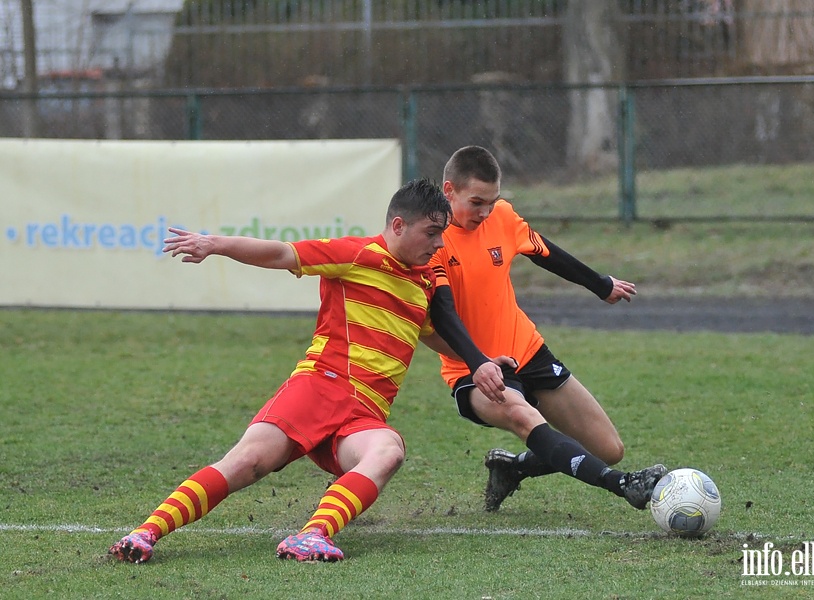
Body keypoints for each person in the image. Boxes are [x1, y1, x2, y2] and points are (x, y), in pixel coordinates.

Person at [108, 178, 512, 564]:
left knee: (388, 451)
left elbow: (434, 337)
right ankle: (145, 532)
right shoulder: (356, 254)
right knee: (247, 463)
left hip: (363, 414)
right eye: (431, 233)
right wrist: (215, 244)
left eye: (442, 234)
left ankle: (313, 534)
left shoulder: (424, 283)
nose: (439, 243)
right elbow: (281, 253)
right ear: (398, 225)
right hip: (319, 387)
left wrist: (483, 361)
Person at [427, 146, 667, 513]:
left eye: (492, 202)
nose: (485, 212)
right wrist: (478, 363)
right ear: (449, 191)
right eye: (476, 202)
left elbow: (545, 252)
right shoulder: (433, 242)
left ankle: (512, 468)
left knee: (607, 448)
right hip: (473, 370)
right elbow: (442, 312)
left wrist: (600, 284)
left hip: (528, 350)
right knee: (524, 417)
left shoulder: (502, 217)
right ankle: (623, 485)